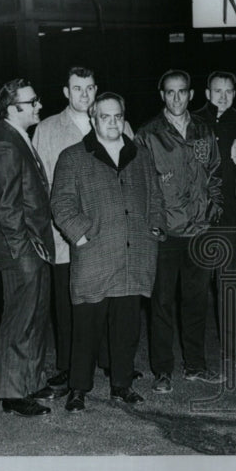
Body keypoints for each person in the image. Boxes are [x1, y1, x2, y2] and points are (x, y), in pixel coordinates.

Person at [50, 93, 165, 412]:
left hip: (133, 255)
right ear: (93, 119)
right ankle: (78, 388)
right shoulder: (73, 156)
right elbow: (61, 205)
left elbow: (155, 197)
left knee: (127, 325)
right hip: (95, 256)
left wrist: (154, 227)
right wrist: (82, 236)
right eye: (105, 117)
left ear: (123, 118)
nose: (112, 122)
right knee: (86, 326)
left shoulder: (140, 154)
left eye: (117, 116)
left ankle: (122, 385)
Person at [33, 66, 135, 389]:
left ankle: (110, 362)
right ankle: (69, 366)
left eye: (90, 88)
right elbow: (40, 185)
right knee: (69, 305)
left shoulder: (119, 123)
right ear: (66, 92)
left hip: (110, 235)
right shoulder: (48, 129)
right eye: (77, 89)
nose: (85, 95)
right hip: (67, 236)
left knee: (110, 300)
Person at [135, 70, 225, 393]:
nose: (176, 98)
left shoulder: (203, 130)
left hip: (199, 230)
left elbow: (215, 172)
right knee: (161, 302)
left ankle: (196, 365)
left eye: (182, 92)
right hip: (165, 233)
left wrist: (213, 209)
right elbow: (139, 184)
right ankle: (162, 370)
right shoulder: (148, 134)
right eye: (170, 92)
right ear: (162, 95)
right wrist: (152, 223)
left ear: (190, 95)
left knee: (196, 300)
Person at [0, 79, 56, 416]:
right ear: (14, 109)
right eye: (33, 100)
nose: (39, 104)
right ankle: (13, 393)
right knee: (19, 320)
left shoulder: (14, 137)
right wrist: (26, 251)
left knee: (35, 316)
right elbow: (7, 209)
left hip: (31, 246)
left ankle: (31, 381)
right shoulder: (5, 145)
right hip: (20, 249)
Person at [192, 71, 236, 365]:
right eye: (218, 91)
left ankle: (232, 347)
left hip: (231, 215)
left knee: (228, 282)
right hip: (198, 216)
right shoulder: (193, 122)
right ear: (207, 93)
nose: (223, 96)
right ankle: (195, 354)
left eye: (229, 91)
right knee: (197, 283)